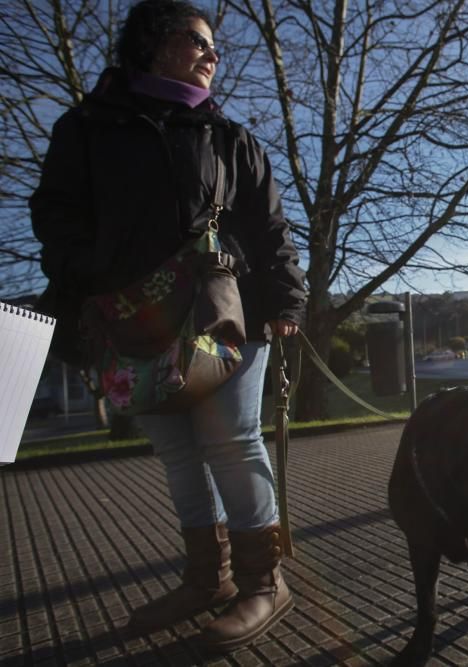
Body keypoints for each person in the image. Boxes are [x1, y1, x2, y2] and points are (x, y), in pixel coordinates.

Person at [30, 0, 307, 652]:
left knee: (231, 440)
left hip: (222, 315)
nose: (214, 55)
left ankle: (264, 582)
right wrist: (95, 271)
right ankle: (205, 578)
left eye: (216, 46)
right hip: (129, 323)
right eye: (199, 41)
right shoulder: (86, 128)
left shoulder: (229, 138)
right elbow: (54, 215)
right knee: (178, 450)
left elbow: (271, 232)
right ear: (153, 44)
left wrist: (287, 305)